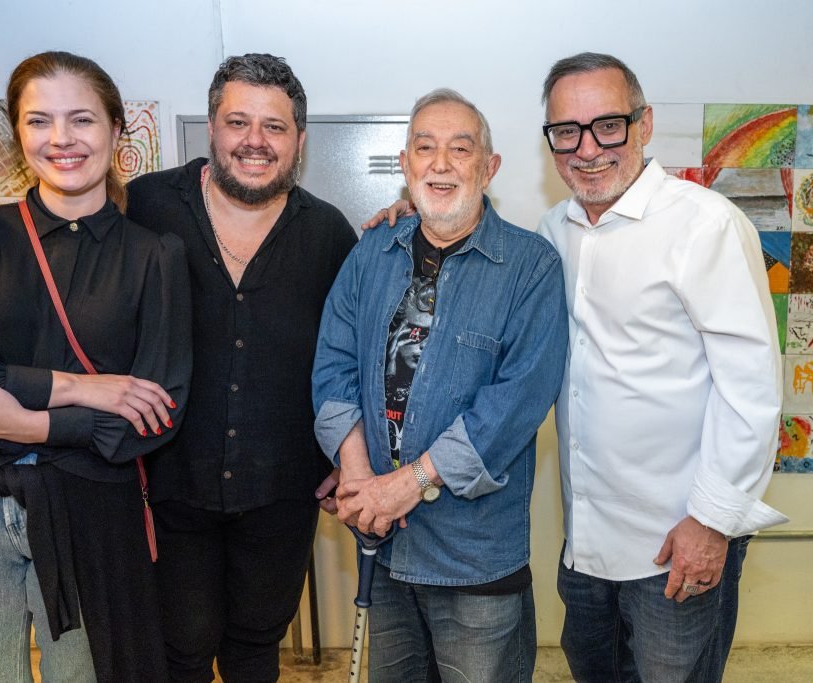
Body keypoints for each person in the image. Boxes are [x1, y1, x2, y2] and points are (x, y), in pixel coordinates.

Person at [0, 51, 190, 682]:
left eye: (82, 119)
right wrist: (75, 389)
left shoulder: (155, 256)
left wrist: (27, 424)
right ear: (18, 134)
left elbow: (156, 413)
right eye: (40, 121)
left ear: (116, 131)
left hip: (93, 517)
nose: (61, 139)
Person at [536, 52, 786, 683]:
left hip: (676, 543)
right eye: (566, 130)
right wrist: (409, 219)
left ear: (644, 124)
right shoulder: (552, 230)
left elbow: (751, 389)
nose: (587, 148)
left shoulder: (705, 225)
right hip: (586, 542)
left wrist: (711, 522)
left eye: (608, 125)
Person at [312, 88, 567, 683]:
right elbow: (333, 365)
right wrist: (358, 477)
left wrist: (407, 486)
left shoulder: (531, 268)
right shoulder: (372, 252)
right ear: (406, 165)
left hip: (474, 560)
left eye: (461, 148)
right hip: (384, 546)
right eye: (425, 148)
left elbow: (512, 406)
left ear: (489, 166)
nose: (441, 163)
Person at [122, 53, 357, 682]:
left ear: (299, 139)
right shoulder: (145, 207)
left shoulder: (330, 235)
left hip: (282, 490)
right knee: (181, 651)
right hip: (167, 484)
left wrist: (348, 455)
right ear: (211, 128)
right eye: (238, 122)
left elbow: (353, 358)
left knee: (256, 650)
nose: (255, 141)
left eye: (274, 126)